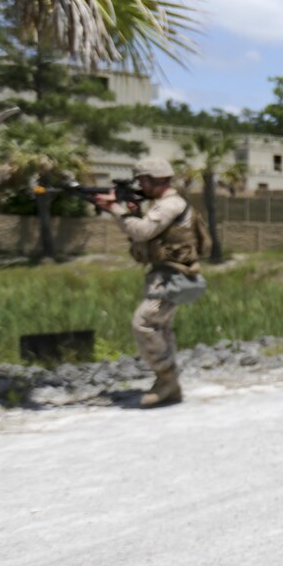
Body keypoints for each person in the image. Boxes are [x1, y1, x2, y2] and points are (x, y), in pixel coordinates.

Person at [93, 157, 208, 407]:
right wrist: (129, 212)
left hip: (172, 276)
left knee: (144, 323)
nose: (140, 186)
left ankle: (167, 380)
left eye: (142, 181)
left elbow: (143, 231)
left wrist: (115, 209)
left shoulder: (169, 205)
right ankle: (168, 383)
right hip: (165, 275)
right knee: (161, 328)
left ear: (153, 179)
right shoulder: (164, 204)